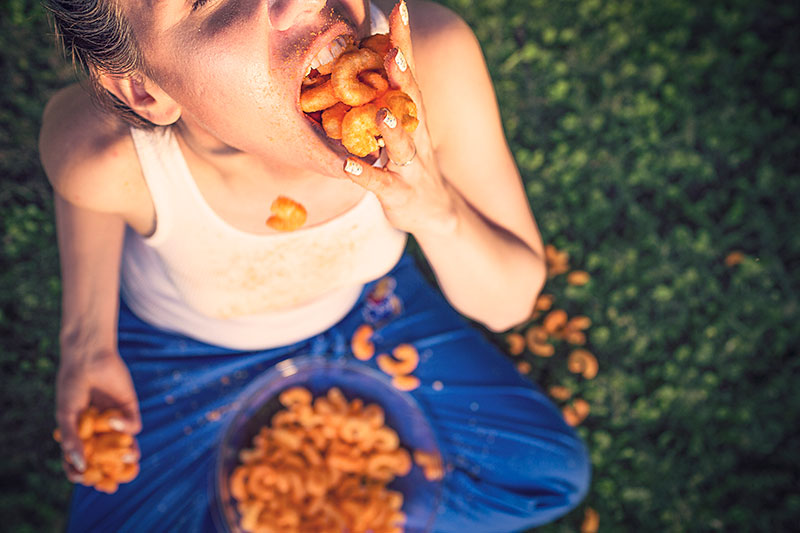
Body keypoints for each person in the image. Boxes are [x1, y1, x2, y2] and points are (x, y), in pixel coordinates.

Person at [39, 0, 590, 530]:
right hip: (184, 345)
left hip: (361, 309)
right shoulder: (111, 157)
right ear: (143, 87)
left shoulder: (433, 58)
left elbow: (509, 301)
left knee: (552, 477)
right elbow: (87, 197)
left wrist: (434, 209)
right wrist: (88, 345)